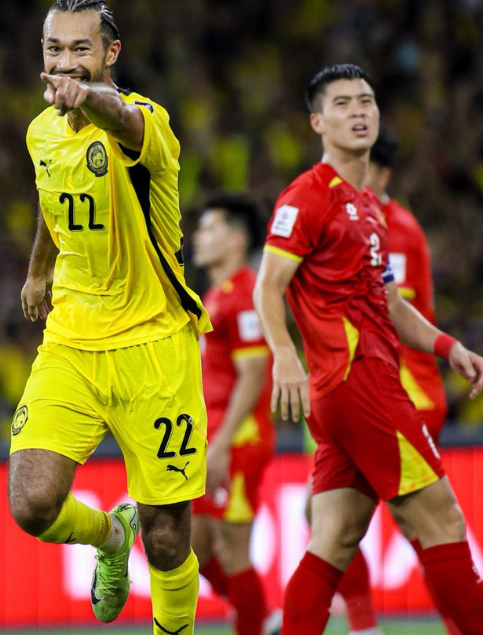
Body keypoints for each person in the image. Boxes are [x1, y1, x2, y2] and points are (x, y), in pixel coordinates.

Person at [252, 64, 483, 635]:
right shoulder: (307, 196)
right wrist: (285, 357)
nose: (358, 111)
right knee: (444, 520)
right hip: (360, 381)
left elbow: (387, 301)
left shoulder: (369, 209)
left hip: (346, 394)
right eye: (341, 104)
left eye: (366, 101)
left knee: (332, 541)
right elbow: (268, 285)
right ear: (317, 121)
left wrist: (446, 346)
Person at [7, 0, 213, 635]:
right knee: (32, 504)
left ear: (109, 54)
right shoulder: (42, 130)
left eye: (80, 49)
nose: (65, 62)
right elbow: (53, 195)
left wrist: (88, 100)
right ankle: (108, 536)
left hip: (153, 345)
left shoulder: (145, 121)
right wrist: (40, 267)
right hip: (71, 339)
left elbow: (122, 120)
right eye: (54, 49)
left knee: (170, 537)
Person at [320, 129, 463, 635]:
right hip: (378, 392)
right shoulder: (378, 223)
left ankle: (367, 626)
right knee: (393, 527)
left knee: (423, 526)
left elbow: (386, 309)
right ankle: (371, 626)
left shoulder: (391, 227)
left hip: (402, 392)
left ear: (378, 172)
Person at [190, 195, 281, 635]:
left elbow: (254, 374)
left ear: (237, 239)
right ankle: (259, 616)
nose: (198, 238)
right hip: (213, 435)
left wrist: (222, 444)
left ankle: (254, 620)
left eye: (209, 229)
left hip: (238, 437)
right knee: (195, 546)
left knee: (232, 549)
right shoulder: (217, 294)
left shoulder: (245, 294)